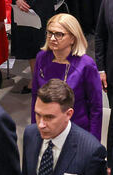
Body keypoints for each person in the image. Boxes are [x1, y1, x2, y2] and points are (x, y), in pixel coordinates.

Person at [30, 12, 103, 141]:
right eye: (50, 33)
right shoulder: (42, 57)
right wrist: (35, 129)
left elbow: (95, 108)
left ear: (73, 38)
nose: (52, 38)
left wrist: (93, 142)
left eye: (59, 34)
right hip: (47, 127)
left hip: (76, 131)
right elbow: (35, 96)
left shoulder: (86, 65)